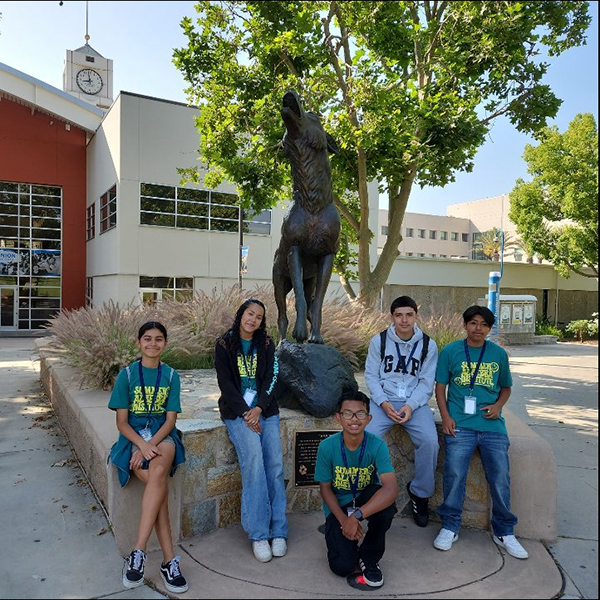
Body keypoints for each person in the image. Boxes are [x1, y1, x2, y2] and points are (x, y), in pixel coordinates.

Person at [433, 305, 529, 559]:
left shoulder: (497, 354)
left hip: (491, 427)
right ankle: (450, 526)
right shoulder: (451, 351)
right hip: (460, 426)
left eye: (484, 324)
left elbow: (506, 388)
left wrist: (498, 406)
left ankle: (505, 531)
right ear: (465, 325)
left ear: (489, 328)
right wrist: (446, 417)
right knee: (454, 474)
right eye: (473, 323)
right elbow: (440, 387)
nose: (478, 328)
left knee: (500, 477)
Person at [108, 321, 188, 593]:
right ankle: (169, 560)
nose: (153, 344)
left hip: (162, 438)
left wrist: (150, 444)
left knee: (157, 471)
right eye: (147, 339)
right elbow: (121, 423)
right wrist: (140, 445)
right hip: (132, 439)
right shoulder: (127, 375)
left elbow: (170, 421)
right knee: (158, 485)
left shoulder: (171, 375)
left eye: (158, 339)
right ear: (139, 342)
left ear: (165, 343)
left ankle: (138, 553)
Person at [215, 299, 288, 563]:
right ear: (241, 315)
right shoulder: (224, 344)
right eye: (250, 314)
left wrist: (258, 408)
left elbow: (272, 377)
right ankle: (259, 533)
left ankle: (278, 530)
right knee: (254, 462)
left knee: (275, 465)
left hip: (265, 411)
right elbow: (224, 383)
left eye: (258, 317)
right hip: (237, 413)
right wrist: (247, 412)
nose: (253, 320)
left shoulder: (266, 344)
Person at [364, 296, 439, 527]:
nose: (404, 320)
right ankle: (369, 492)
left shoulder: (428, 345)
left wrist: (410, 406)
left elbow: (427, 384)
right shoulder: (380, 341)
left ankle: (420, 493)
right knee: (365, 440)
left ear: (416, 316)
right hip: (382, 402)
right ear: (391, 317)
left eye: (409, 315)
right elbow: (371, 376)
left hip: (413, 404)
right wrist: (384, 403)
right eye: (399, 315)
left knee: (430, 441)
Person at [315, 391, 398, 590]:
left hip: (362, 500)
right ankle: (339, 533)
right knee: (342, 566)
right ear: (338, 418)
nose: (354, 419)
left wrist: (356, 517)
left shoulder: (376, 445)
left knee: (387, 507)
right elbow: (325, 490)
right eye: (347, 414)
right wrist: (345, 521)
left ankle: (369, 556)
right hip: (339, 506)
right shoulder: (327, 447)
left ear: (369, 419)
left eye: (360, 414)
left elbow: (391, 489)